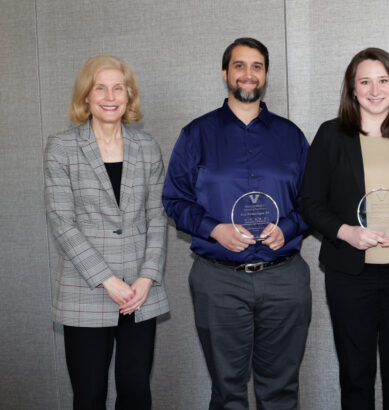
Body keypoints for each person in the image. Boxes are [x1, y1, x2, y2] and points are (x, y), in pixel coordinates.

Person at [162, 37, 311, 409]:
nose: (248, 74)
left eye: (257, 66)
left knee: (281, 390)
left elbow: (315, 203)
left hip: (284, 277)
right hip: (219, 279)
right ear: (226, 73)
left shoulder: (291, 136)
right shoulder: (196, 134)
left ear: (265, 76)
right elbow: (174, 199)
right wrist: (215, 229)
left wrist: (289, 228)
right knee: (228, 391)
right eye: (240, 66)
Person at [301, 47, 389, 409]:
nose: (375, 89)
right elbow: (310, 203)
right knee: (355, 375)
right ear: (352, 89)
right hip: (350, 273)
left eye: (383, 80)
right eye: (365, 81)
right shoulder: (331, 135)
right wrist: (346, 232)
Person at [44, 55, 169, 410]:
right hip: (88, 290)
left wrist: (146, 278)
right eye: (100, 87)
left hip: (140, 296)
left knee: (136, 393)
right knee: (89, 395)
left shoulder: (147, 148)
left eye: (118, 88)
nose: (110, 96)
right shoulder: (62, 147)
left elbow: (158, 217)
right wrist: (109, 281)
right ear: (86, 96)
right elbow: (61, 220)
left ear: (129, 96)